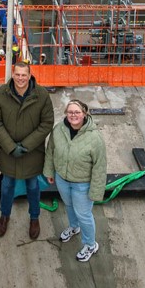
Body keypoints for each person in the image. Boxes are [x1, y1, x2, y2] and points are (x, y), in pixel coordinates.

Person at [0, 61, 54, 240]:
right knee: (7, 186)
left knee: (33, 186)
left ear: (29, 75)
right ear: (13, 74)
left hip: (32, 153)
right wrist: (10, 146)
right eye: (17, 74)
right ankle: (5, 216)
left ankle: (34, 218)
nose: (20, 78)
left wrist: (26, 145)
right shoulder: (1, 93)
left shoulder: (41, 95)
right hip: (9, 153)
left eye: (23, 75)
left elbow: (47, 122)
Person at [43, 100, 107, 263]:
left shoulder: (95, 138)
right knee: (70, 206)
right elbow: (50, 151)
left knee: (84, 214)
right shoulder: (58, 130)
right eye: (70, 112)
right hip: (62, 179)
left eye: (77, 112)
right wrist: (49, 171)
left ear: (85, 114)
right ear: (66, 113)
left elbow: (100, 167)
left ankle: (90, 244)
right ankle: (74, 227)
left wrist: (96, 191)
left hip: (82, 184)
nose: (73, 115)